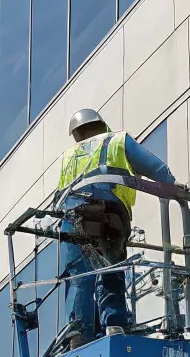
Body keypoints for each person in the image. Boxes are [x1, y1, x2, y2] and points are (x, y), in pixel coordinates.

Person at [53, 107, 175, 342]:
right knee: (110, 269)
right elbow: (156, 169)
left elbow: (60, 194)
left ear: (76, 134)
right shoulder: (117, 140)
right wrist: (175, 187)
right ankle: (114, 324)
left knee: (78, 276)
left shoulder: (67, 156)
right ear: (101, 124)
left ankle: (78, 332)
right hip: (108, 213)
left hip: (72, 219)